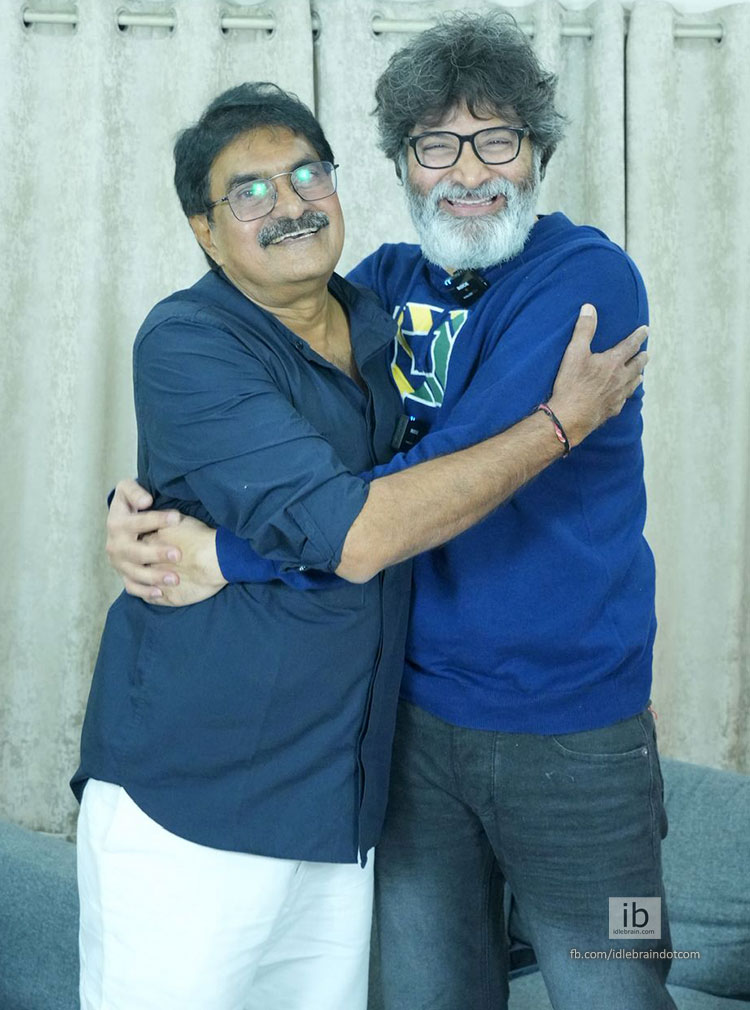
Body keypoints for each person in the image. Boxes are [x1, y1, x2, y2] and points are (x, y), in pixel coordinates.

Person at [74, 77, 645, 1010]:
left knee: (622, 983)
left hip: (577, 736)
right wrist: (158, 514)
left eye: (497, 142)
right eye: (436, 146)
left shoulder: (584, 281)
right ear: (401, 167)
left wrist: (223, 552)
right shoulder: (372, 291)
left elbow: (389, 497)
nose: (468, 173)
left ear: (539, 152)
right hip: (365, 752)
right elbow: (335, 510)